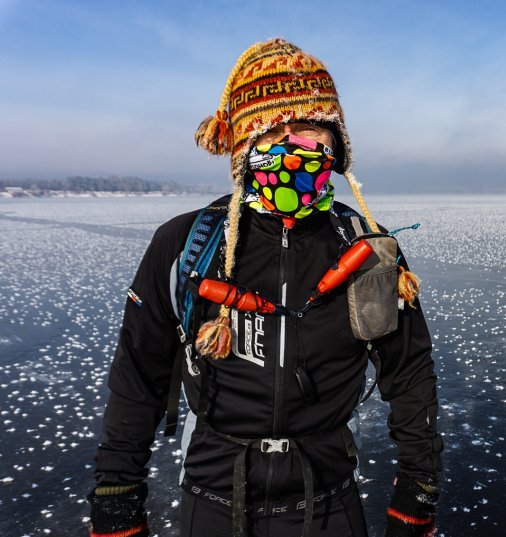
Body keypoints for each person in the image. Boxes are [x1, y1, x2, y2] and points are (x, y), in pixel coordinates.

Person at [87, 37, 443, 537]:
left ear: (335, 143)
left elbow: (408, 374)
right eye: (273, 130)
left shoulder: (367, 248)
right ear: (242, 148)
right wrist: (116, 496)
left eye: (311, 126)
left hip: (330, 502)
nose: (294, 143)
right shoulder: (187, 243)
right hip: (213, 499)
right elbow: (138, 377)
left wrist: (417, 491)